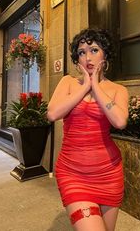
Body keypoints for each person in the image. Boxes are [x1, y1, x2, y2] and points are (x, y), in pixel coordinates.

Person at [47, 28, 129, 231]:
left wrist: (96, 86)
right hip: (72, 173)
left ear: (105, 55)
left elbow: (119, 121)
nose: (88, 57)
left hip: (109, 174)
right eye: (82, 52)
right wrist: (85, 87)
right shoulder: (68, 82)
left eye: (94, 50)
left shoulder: (119, 90)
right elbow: (52, 114)